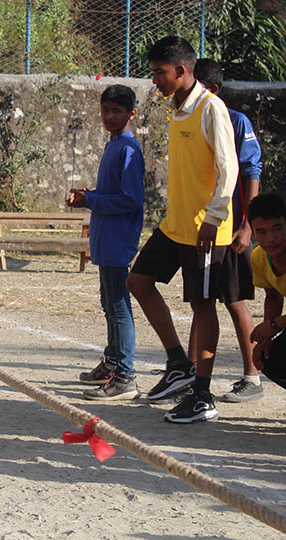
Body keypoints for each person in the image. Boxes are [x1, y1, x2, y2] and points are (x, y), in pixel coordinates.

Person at [125, 36, 238, 424]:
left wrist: (214, 216)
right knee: (138, 281)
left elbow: (230, 169)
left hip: (205, 229)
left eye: (160, 72)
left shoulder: (212, 109)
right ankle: (178, 362)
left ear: (182, 71)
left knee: (203, 306)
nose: (155, 80)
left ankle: (203, 395)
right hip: (175, 225)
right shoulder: (175, 108)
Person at [194, 58, 265, 403]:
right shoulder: (185, 121)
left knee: (235, 300)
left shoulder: (235, 121)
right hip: (201, 229)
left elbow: (251, 171)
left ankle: (253, 375)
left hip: (231, 228)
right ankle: (191, 374)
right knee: (201, 301)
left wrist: (247, 226)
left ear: (214, 90)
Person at [68, 85, 145, 400]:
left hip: (118, 239)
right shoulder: (113, 145)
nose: (109, 116)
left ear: (131, 114)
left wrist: (92, 200)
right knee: (108, 303)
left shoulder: (128, 149)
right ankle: (112, 361)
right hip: (106, 236)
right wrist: (90, 197)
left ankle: (125, 375)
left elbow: (130, 199)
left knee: (118, 306)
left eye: (116, 111)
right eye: (106, 110)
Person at [246, 193, 286, 392]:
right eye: (261, 231)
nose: (270, 239)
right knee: (268, 357)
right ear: (252, 233)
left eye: (277, 229)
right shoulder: (259, 257)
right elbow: (273, 295)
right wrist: (266, 339)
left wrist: (275, 324)